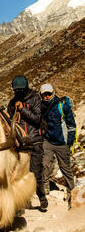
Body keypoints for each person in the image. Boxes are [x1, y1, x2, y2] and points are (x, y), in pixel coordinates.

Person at [8, 75, 48, 211]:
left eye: (20, 90)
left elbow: (37, 119)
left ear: (25, 89)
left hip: (34, 139)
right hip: (19, 142)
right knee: (18, 174)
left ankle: (42, 199)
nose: (18, 93)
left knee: (35, 172)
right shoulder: (12, 102)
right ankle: (21, 202)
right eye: (16, 90)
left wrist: (22, 109)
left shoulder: (35, 99)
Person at [40, 83, 76, 210]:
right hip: (48, 141)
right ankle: (45, 188)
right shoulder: (40, 107)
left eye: (49, 93)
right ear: (41, 95)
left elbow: (71, 124)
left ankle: (72, 189)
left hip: (62, 142)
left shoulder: (62, 106)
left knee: (65, 167)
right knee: (45, 164)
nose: (47, 96)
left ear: (53, 93)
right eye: (44, 94)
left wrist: (69, 142)